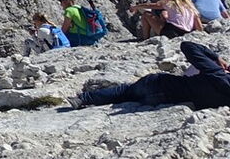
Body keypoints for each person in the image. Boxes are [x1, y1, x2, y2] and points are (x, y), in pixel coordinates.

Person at [78, 40, 230, 111]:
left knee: (124, 91)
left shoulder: (216, 73)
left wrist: (216, 58)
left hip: (157, 85)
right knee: (127, 95)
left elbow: (187, 46)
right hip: (163, 101)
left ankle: (84, 98)